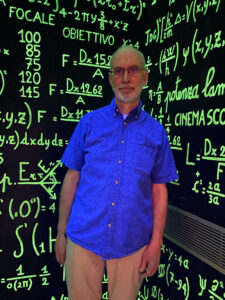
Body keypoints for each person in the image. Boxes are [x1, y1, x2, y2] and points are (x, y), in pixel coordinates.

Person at [55, 45, 178, 300]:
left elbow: (159, 189)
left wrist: (156, 243)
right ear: (110, 78)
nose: (125, 78)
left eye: (133, 70)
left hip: (132, 244)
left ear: (145, 77)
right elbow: (72, 178)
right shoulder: (88, 123)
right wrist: (60, 234)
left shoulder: (156, 133)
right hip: (83, 237)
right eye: (118, 71)